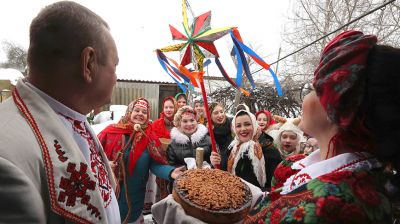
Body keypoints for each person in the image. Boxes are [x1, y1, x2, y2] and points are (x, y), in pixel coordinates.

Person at [245, 30, 397, 223]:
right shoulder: (300, 165)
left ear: (337, 107)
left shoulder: (327, 206)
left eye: (315, 89)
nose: (306, 98)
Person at [0, 2, 121, 223]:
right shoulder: (7, 161)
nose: (115, 78)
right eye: (114, 67)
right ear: (89, 63)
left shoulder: (74, 114)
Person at [98, 98, 183, 223]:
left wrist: (171, 172)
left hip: (136, 195)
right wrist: (105, 164)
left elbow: (156, 164)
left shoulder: (149, 136)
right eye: (136, 110)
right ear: (129, 112)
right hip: (111, 192)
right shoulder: (110, 131)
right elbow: (92, 155)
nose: (140, 114)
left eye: (144, 112)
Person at [224, 108, 266, 189]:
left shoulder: (266, 147)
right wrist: (216, 162)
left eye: (247, 124)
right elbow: (224, 172)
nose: (243, 129)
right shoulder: (232, 148)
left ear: (254, 125)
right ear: (234, 129)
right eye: (238, 126)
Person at [151, 96, 176, 201]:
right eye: (166, 107)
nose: (168, 110)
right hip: (161, 161)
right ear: (163, 108)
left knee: (174, 188)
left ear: (175, 108)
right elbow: (151, 140)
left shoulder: (179, 123)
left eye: (171, 107)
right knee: (162, 188)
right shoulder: (156, 124)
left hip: (175, 160)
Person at [255, 110, 282, 191]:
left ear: (269, 121)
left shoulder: (273, 137)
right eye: (259, 119)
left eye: (264, 119)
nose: (261, 122)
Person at [208, 102, 234, 171]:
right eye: (216, 113)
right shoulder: (209, 132)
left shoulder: (233, 124)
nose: (220, 115)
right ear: (210, 116)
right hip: (220, 169)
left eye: (221, 112)